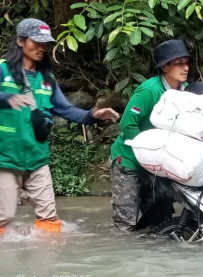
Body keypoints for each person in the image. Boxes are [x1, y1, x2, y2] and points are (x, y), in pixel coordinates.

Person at [0, 18, 120, 234]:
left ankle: (47, 265)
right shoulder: (2, 70)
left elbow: (67, 111)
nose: (41, 48)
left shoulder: (48, 80)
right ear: (20, 41)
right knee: (4, 217)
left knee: (49, 219)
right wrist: (6, 98)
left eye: (45, 44)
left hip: (37, 160)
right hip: (5, 159)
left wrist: (94, 115)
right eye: (36, 42)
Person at [110, 39, 192, 231]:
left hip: (157, 164)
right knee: (126, 222)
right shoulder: (149, 90)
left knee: (160, 217)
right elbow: (127, 123)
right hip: (129, 160)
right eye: (179, 63)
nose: (185, 68)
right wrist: (145, 151)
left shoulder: (185, 90)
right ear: (165, 67)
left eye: (186, 63)